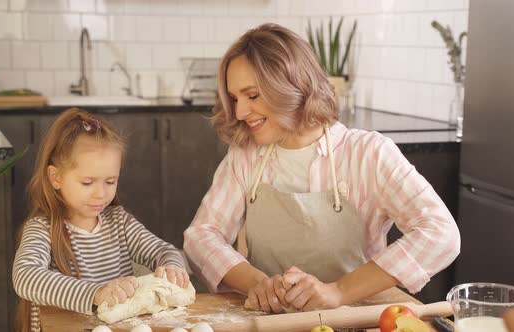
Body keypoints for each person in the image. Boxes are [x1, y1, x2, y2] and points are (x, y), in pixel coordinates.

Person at [183, 23, 461, 313]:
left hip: (352, 320)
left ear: (292, 86)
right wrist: (257, 284)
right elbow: (201, 236)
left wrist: (338, 291)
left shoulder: (368, 154)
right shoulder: (245, 156)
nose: (240, 112)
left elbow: (441, 233)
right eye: (235, 98)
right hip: (269, 319)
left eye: (252, 96)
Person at [13, 108, 189, 332]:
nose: (101, 194)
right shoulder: (42, 229)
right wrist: (95, 293)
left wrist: (172, 266)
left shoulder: (120, 222)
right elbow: (26, 277)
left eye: (110, 181)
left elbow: (164, 250)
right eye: (87, 183)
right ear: (55, 177)